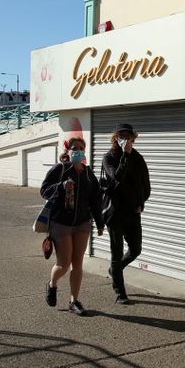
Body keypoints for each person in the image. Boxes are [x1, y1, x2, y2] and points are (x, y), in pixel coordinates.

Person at [40, 136, 104, 316]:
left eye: (81, 148)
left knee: (78, 264)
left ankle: (74, 301)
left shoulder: (88, 173)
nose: (78, 151)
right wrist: (61, 186)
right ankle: (52, 284)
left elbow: (95, 200)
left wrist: (99, 222)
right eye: (74, 148)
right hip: (61, 223)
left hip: (82, 224)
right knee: (64, 264)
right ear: (68, 151)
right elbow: (44, 190)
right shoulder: (59, 169)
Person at [101, 123, 150, 305]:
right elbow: (117, 177)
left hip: (132, 211)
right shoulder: (109, 157)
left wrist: (141, 203)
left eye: (129, 136)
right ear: (115, 138)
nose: (126, 139)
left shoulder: (138, 158)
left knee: (136, 249)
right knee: (116, 252)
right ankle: (120, 292)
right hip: (114, 212)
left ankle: (115, 270)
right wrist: (125, 155)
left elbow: (145, 184)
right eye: (121, 136)